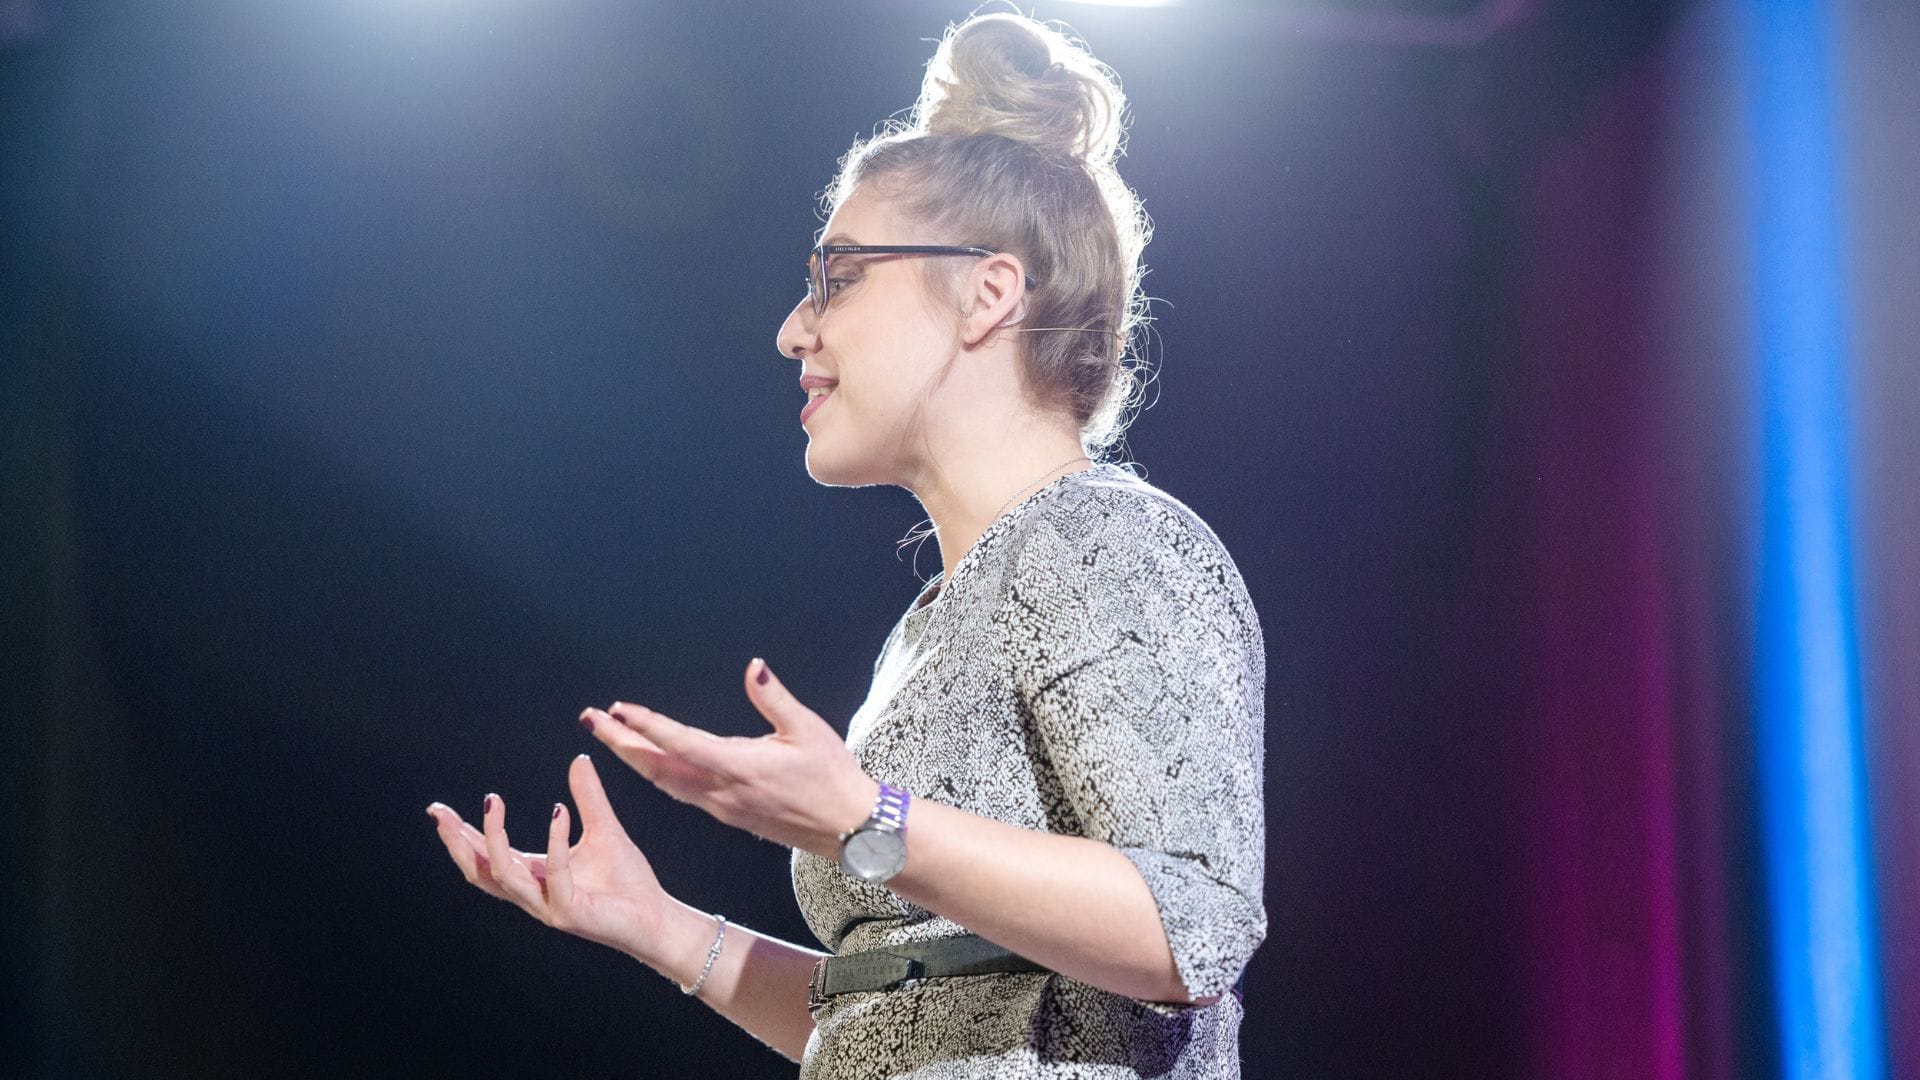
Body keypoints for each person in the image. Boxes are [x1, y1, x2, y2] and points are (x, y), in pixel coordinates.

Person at [425, 12, 1266, 1078]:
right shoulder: (930, 627)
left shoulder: (1110, 540)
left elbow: (1196, 925)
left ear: (988, 292)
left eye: (841, 275)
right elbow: (899, 1017)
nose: (794, 328)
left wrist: (868, 819)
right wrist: (657, 925)